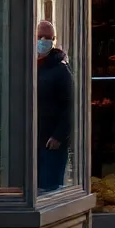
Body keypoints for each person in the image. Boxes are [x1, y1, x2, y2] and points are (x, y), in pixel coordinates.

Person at [36, 21, 73, 193]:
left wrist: (58, 135)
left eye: (48, 38)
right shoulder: (29, 67)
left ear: (54, 40)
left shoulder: (60, 70)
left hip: (52, 142)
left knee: (49, 189)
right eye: (39, 37)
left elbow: (70, 106)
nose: (43, 41)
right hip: (32, 141)